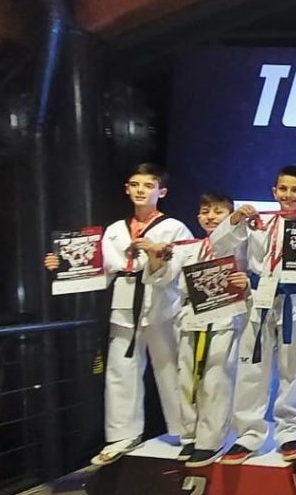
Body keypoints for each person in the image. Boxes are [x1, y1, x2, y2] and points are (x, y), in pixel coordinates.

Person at [44, 163, 192, 466]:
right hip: (123, 303)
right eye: (135, 185)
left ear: (162, 192)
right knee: (120, 370)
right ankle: (123, 434)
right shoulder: (113, 230)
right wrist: (62, 266)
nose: (140, 190)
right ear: (126, 189)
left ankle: (187, 431)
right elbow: (97, 271)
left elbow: (182, 269)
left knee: (171, 369)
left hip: (162, 304)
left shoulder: (174, 227)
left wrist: (155, 259)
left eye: (148, 185)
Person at [211, 165, 296, 463]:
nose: (288, 195)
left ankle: (288, 432)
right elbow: (219, 245)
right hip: (258, 301)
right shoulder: (257, 223)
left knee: (292, 370)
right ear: (274, 192)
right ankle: (248, 434)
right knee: (252, 369)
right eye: (283, 189)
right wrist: (234, 220)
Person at [144, 192, 249, 467]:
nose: (210, 217)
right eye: (205, 212)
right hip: (190, 316)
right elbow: (162, 278)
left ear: (230, 216)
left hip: (224, 315)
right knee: (187, 380)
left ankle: (210, 440)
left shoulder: (239, 241)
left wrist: (244, 280)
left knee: (215, 380)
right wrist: (155, 259)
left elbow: (226, 243)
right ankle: (189, 435)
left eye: (218, 212)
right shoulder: (186, 248)